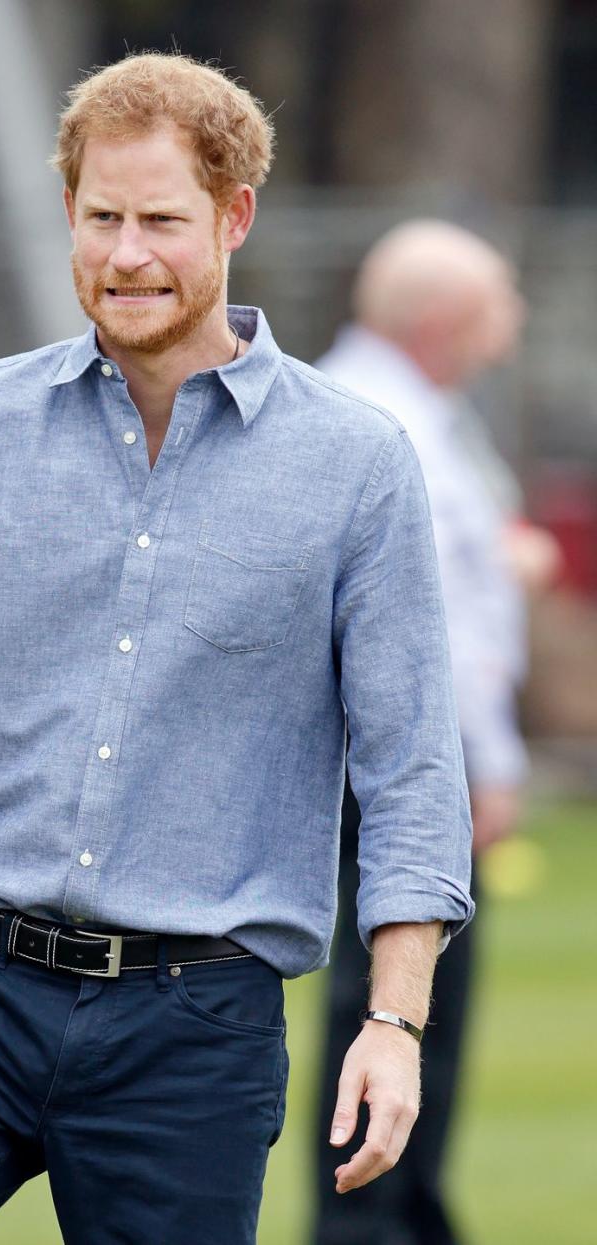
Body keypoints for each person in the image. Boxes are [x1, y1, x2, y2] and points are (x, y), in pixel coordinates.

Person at [0, 56, 474, 1245]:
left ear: (234, 217)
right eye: (102, 218)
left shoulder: (357, 466)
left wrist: (393, 1026)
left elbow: (411, 771)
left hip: (196, 1027)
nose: (127, 254)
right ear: (69, 214)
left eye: (162, 221)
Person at [311, 220, 556, 1245]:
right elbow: (431, 629)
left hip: (402, 753)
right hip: (406, 760)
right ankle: (374, 1223)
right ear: (444, 316)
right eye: (501, 297)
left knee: (414, 1004)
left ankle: (402, 1216)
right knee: (401, 1003)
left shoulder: (409, 411)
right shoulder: (383, 420)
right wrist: (485, 767)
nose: (516, 322)